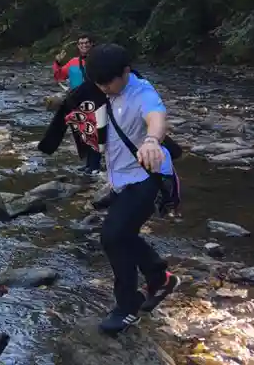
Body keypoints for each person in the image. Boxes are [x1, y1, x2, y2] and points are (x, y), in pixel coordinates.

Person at [86, 43, 179, 335]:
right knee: (123, 235)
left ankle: (128, 307)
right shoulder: (106, 87)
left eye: (107, 82)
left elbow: (156, 118)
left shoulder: (143, 94)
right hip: (122, 179)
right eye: (97, 82)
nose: (102, 88)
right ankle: (160, 278)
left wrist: (152, 141)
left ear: (126, 72)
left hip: (146, 178)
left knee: (112, 236)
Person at [52, 33, 102, 173]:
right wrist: (57, 62)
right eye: (81, 43)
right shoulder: (73, 62)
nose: (84, 45)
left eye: (86, 43)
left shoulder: (99, 60)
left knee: (93, 134)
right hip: (77, 102)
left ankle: (95, 166)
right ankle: (88, 164)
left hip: (95, 102)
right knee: (82, 134)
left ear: (92, 44)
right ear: (78, 46)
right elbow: (59, 75)